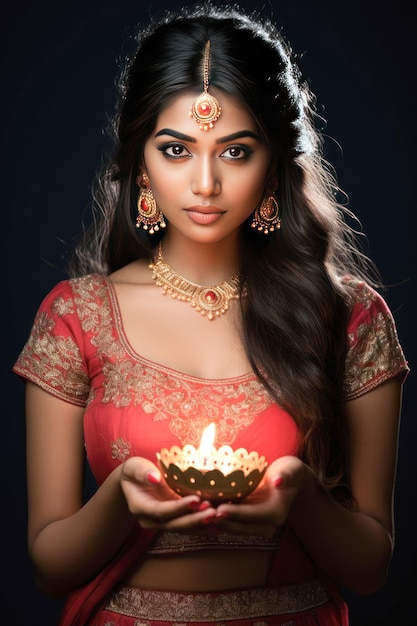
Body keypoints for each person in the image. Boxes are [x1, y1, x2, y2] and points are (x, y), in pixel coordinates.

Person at [13, 3, 409, 625]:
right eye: (176, 149)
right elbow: (48, 565)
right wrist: (118, 500)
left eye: (234, 152)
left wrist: (303, 499)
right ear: (141, 159)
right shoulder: (77, 317)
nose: (204, 184)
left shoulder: (348, 317)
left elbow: (370, 567)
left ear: (274, 163)